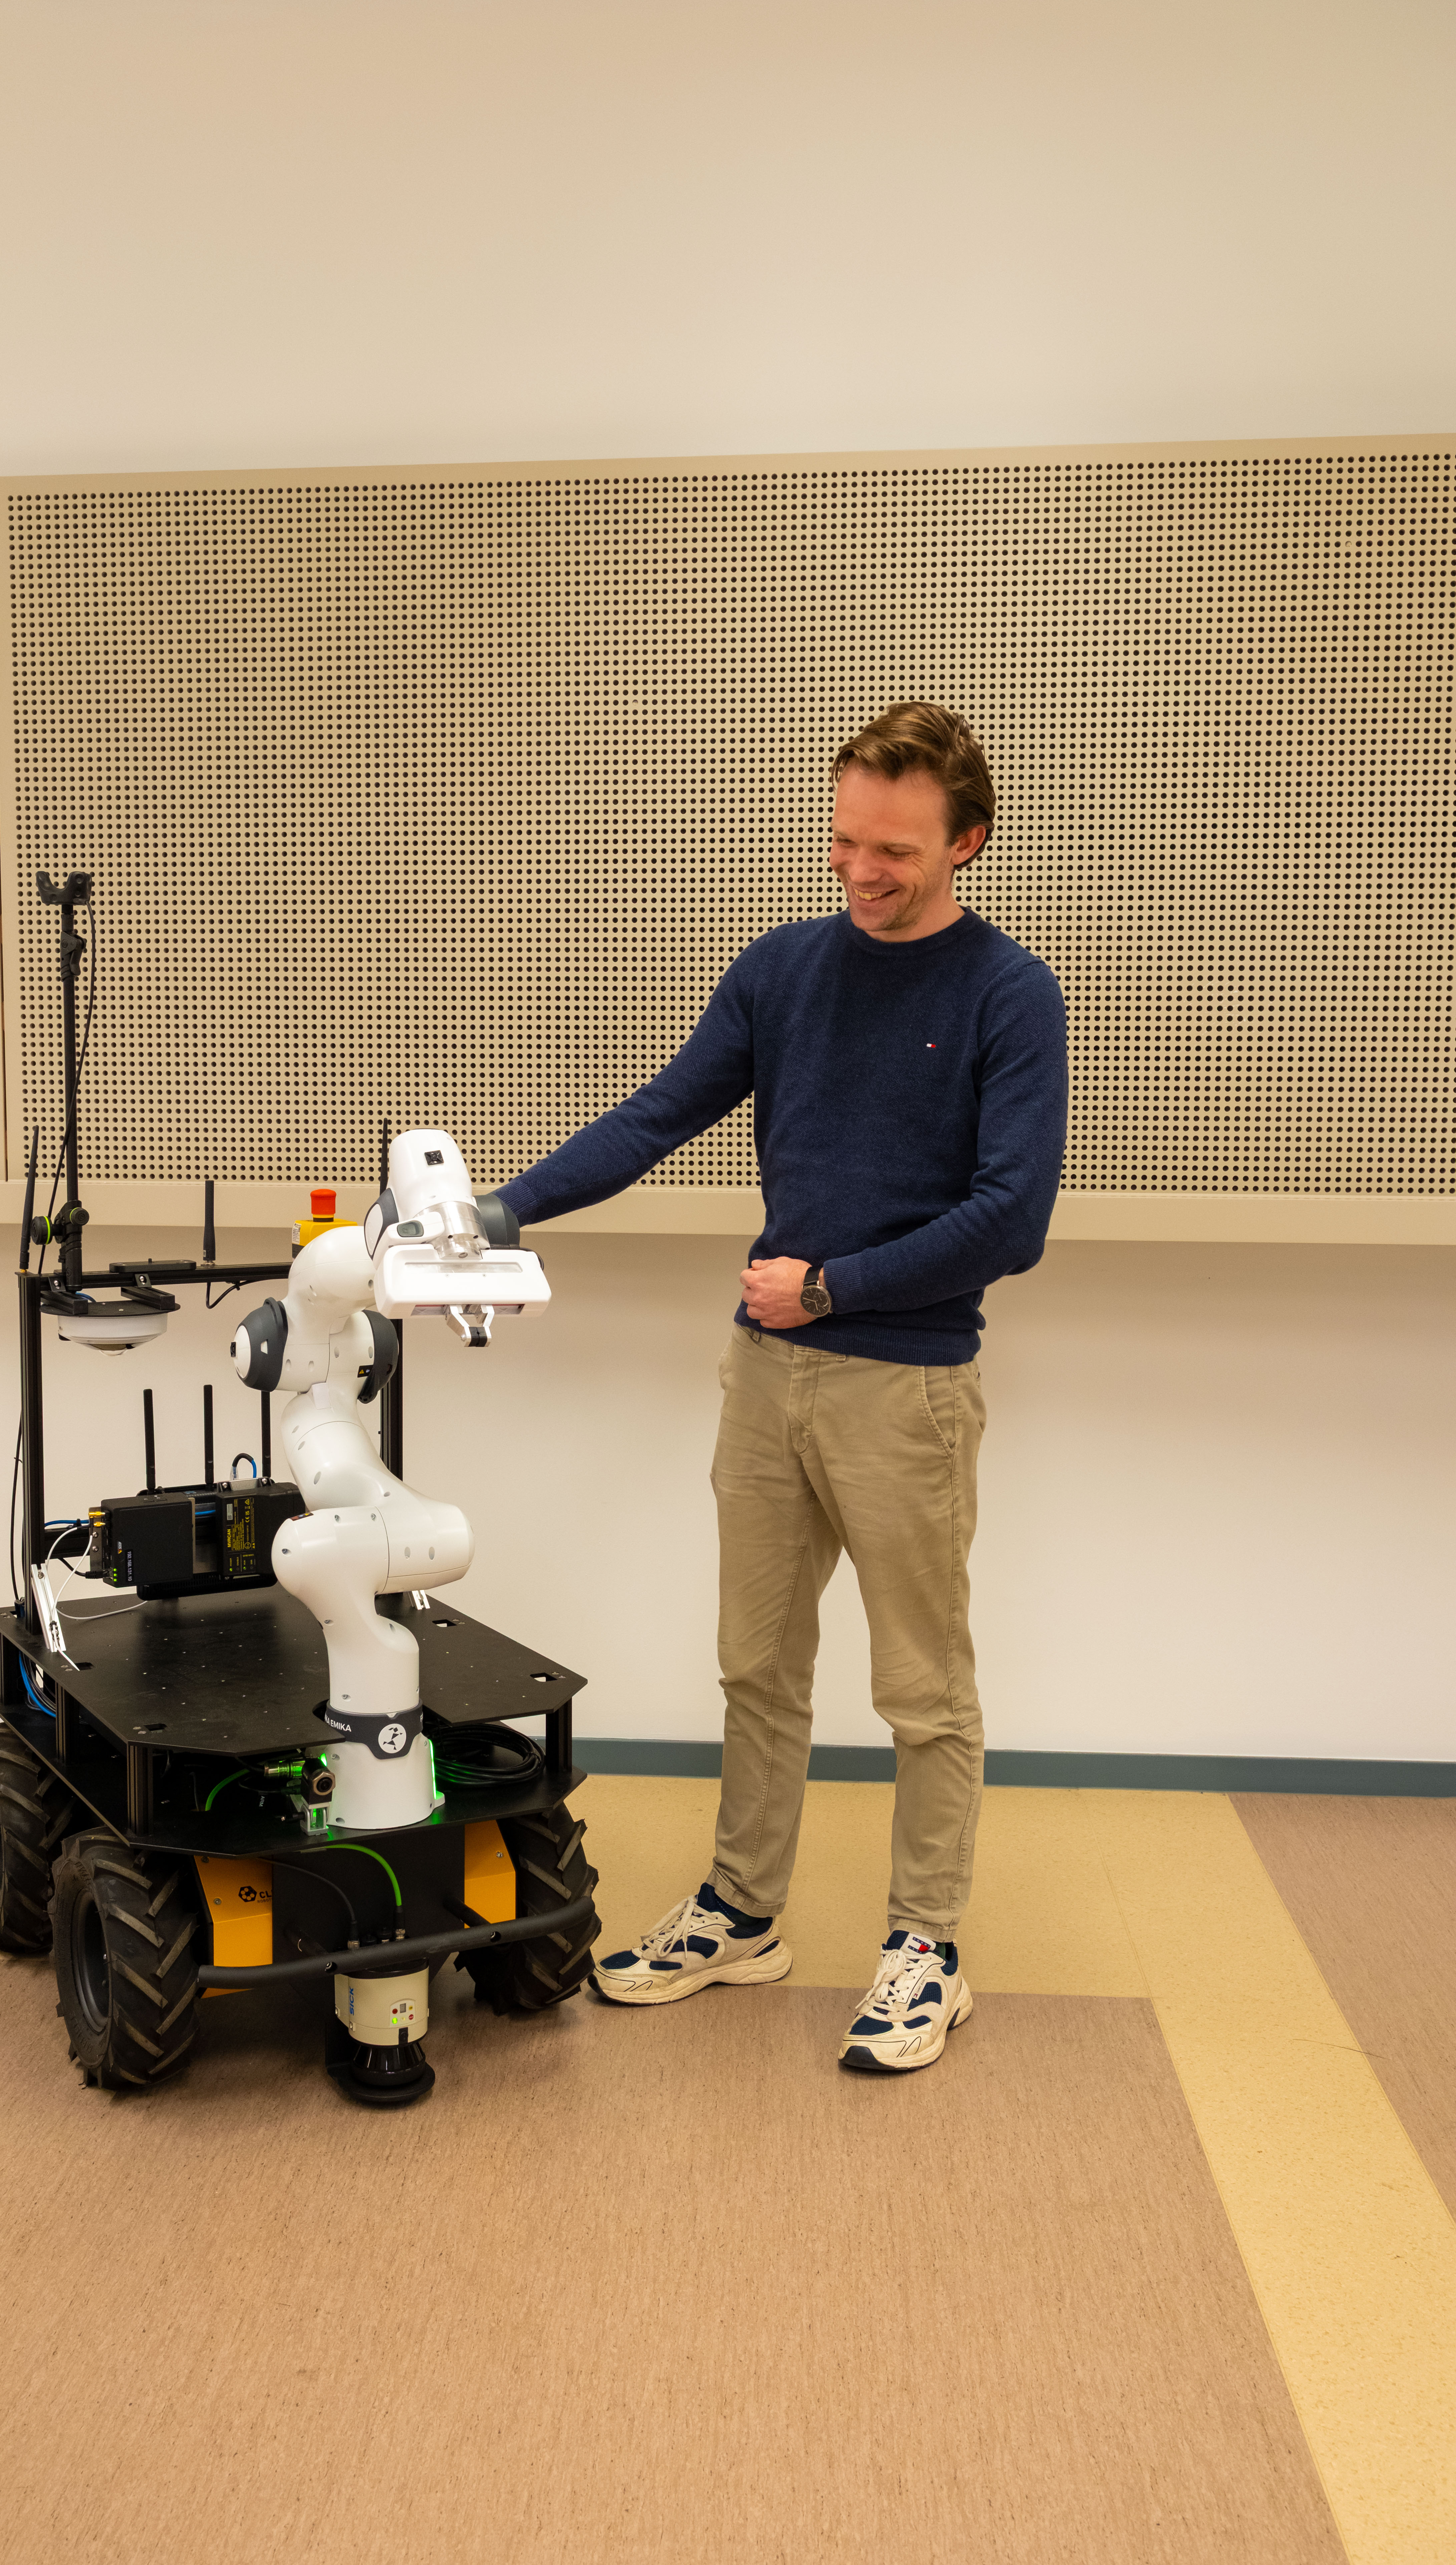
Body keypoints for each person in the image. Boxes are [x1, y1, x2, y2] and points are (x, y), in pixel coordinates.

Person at [494, 703, 1067, 2074]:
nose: (861, 872)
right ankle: (743, 1913)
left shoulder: (1008, 996)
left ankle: (926, 1948)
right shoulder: (783, 971)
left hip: (905, 1391)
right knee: (758, 1667)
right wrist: (497, 1212)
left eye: (894, 852)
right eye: (842, 842)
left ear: (966, 844)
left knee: (923, 1693)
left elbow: (1013, 1218)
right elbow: (653, 1115)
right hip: (765, 1385)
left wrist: (830, 1287)